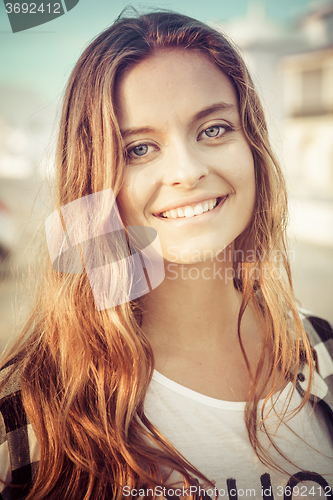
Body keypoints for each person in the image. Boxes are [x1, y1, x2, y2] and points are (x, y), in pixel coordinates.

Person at [0, 9, 333, 500]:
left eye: (214, 129)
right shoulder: (28, 413)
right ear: (93, 182)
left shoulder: (320, 346)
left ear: (254, 145)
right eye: (138, 149)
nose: (186, 170)